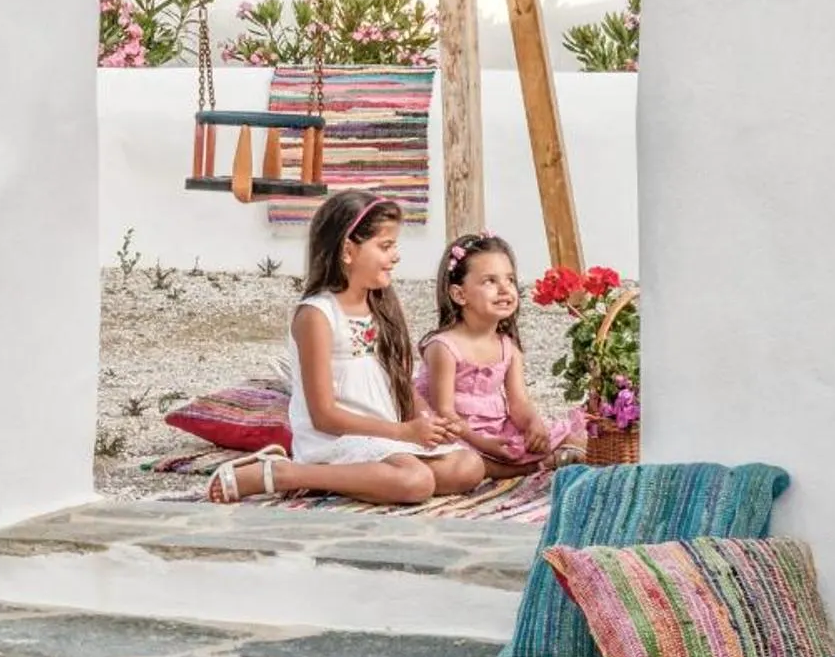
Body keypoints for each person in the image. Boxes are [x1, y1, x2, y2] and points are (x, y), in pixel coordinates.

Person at [209, 192, 486, 504]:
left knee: (468, 467)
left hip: (386, 438)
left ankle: (362, 480)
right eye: (385, 246)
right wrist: (405, 433)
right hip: (337, 440)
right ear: (348, 250)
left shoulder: (382, 309)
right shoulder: (317, 315)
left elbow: (400, 384)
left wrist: (427, 420)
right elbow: (323, 416)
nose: (396, 256)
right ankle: (286, 473)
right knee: (416, 481)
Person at [420, 232, 585, 470]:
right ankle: (522, 468)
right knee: (463, 462)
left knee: (568, 437)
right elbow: (444, 413)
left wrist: (533, 424)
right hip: (459, 432)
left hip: (497, 427)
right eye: (490, 281)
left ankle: (518, 463)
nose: (504, 289)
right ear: (459, 294)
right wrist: (483, 443)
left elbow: (518, 404)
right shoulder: (444, 347)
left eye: (510, 279)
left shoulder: (507, 346)